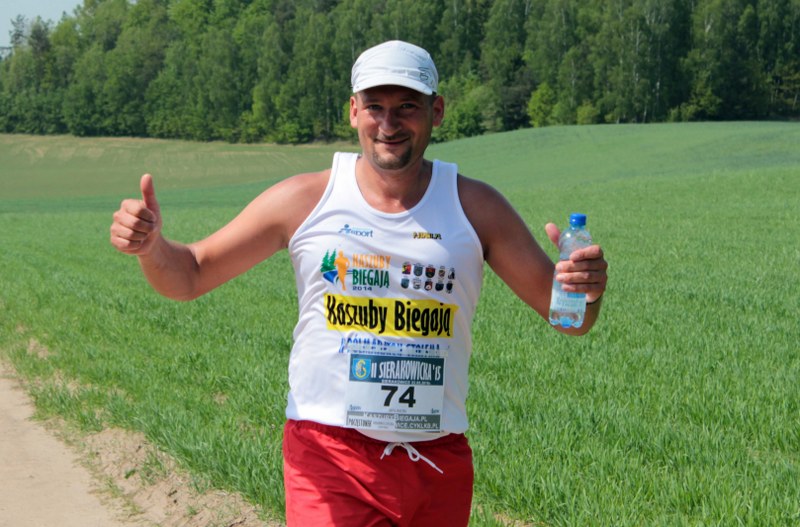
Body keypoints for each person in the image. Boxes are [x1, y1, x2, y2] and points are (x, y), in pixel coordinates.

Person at [110, 40, 607, 527]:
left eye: (407, 106)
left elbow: (571, 319)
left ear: (436, 111)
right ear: (353, 111)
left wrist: (586, 290)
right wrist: (152, 248)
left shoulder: (477, 207)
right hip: (329, 457)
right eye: (375, 107)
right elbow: (190, 274)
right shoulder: (305, 200)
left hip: (437, 458)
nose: (389, 124)